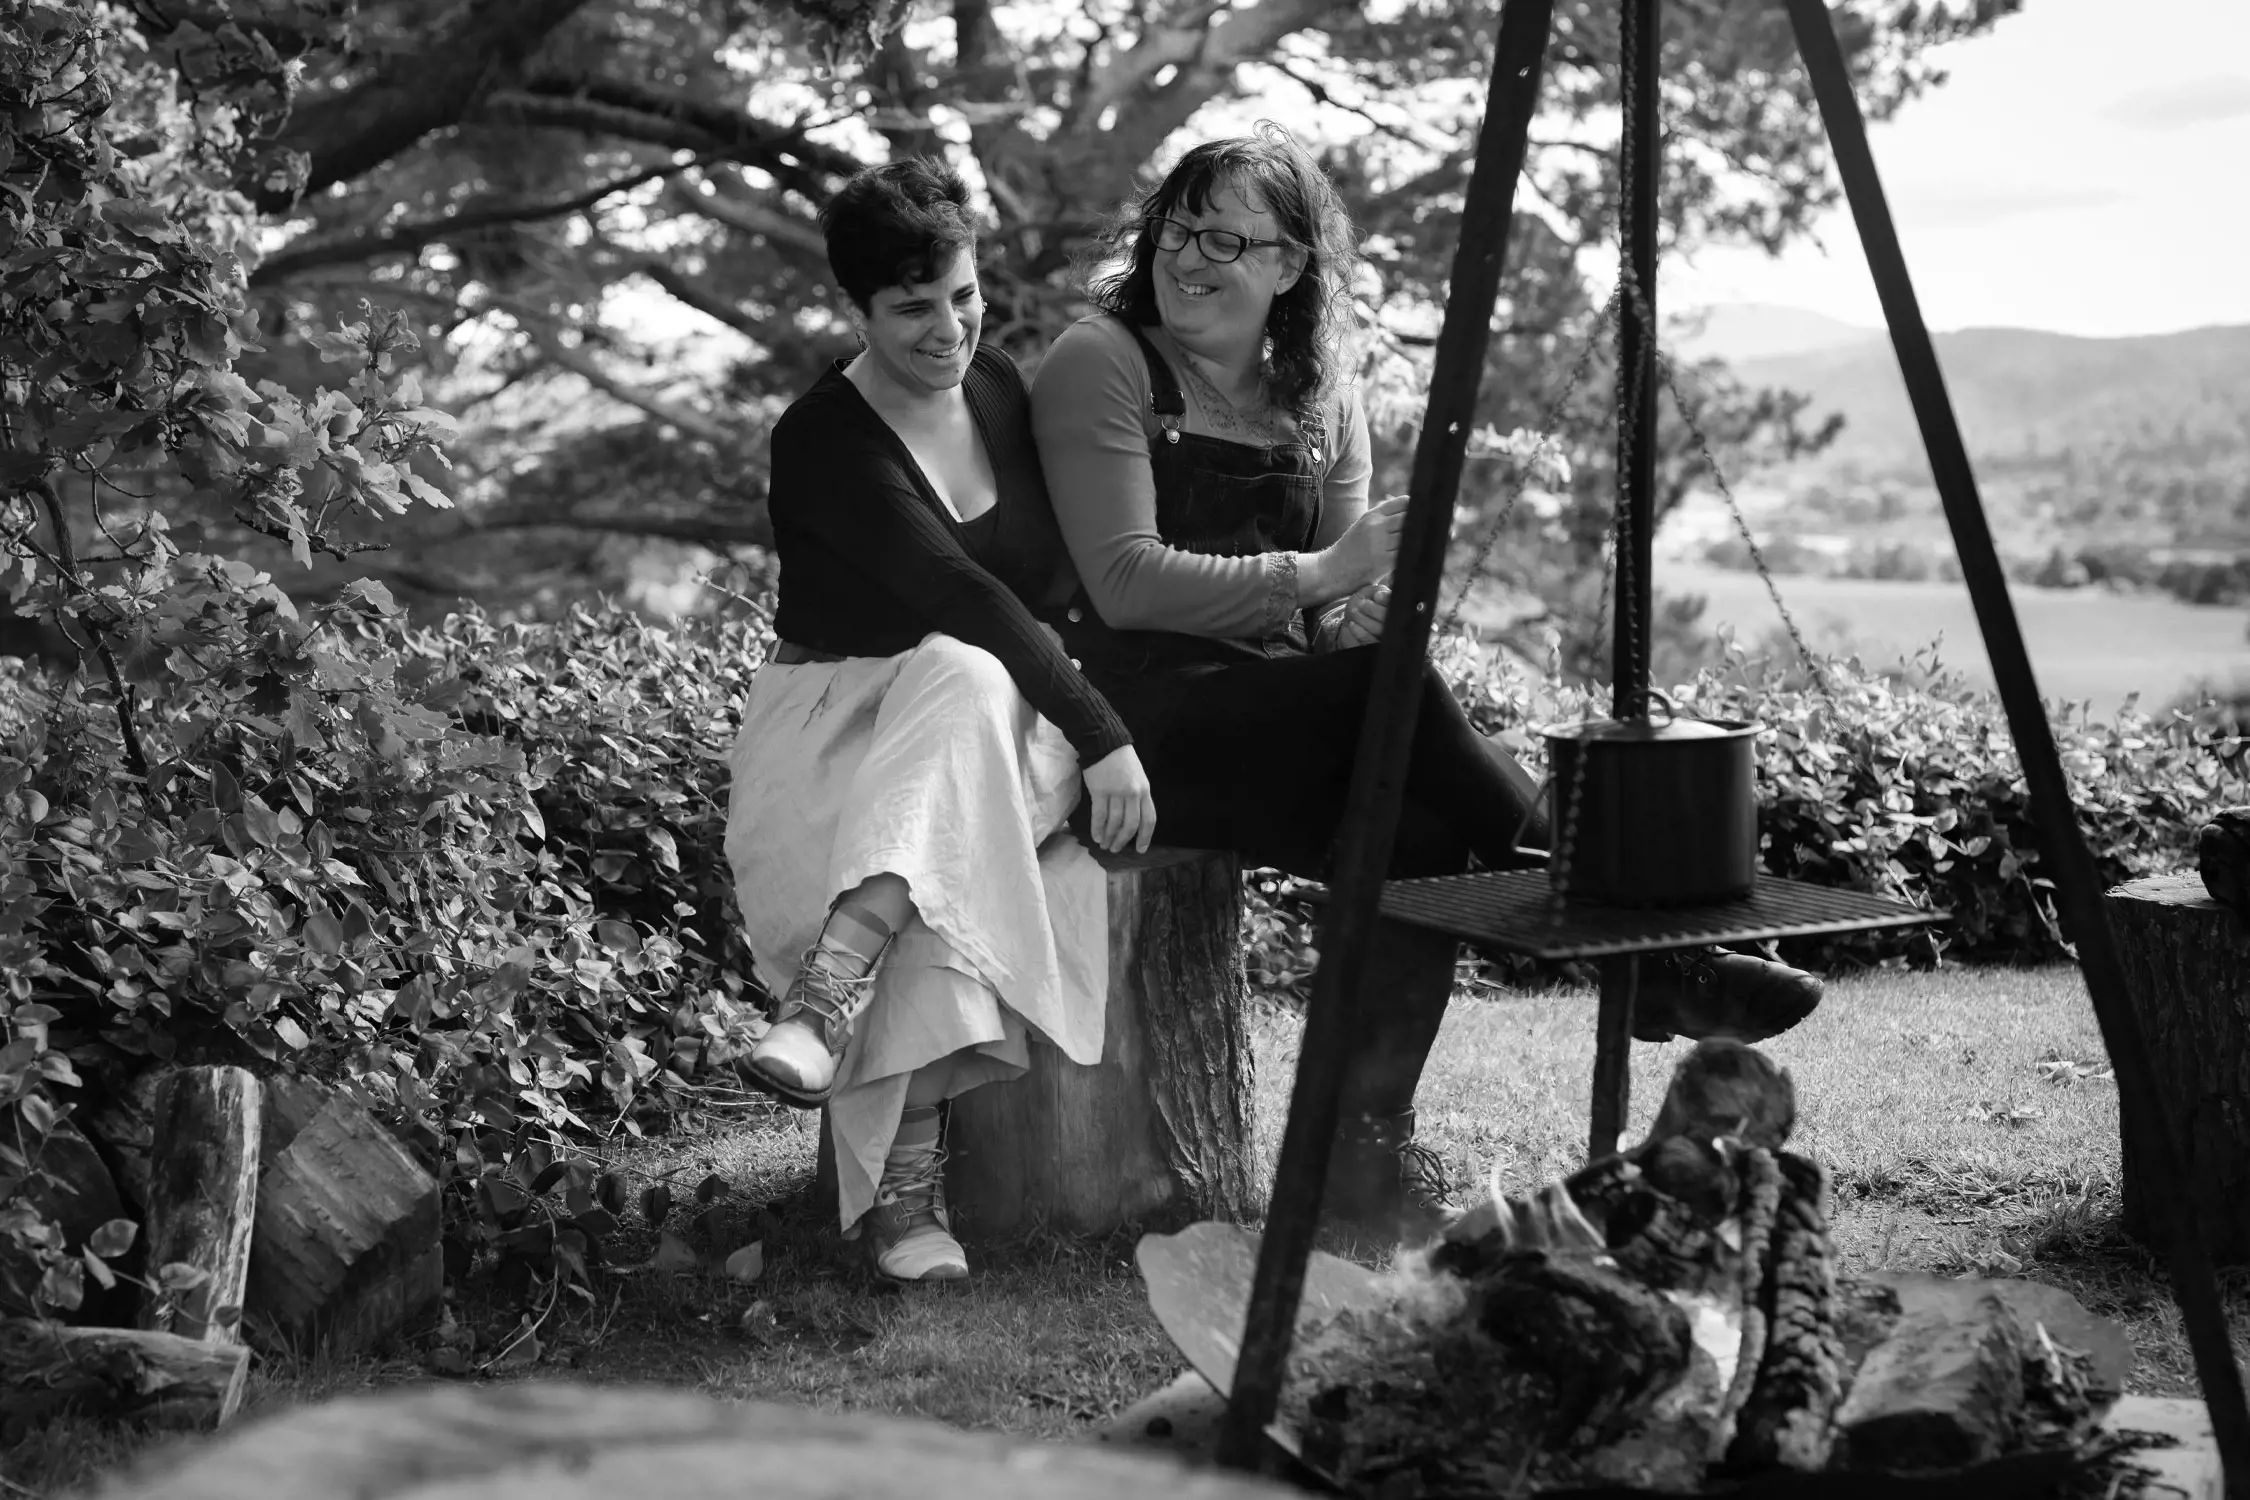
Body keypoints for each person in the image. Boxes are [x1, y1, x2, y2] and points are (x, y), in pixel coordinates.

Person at [1027, 127, 1823, 1234]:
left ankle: (1357, 1167)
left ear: (1290, 267)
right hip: (1134, 723)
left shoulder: (1319, 393)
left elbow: (1340, 611)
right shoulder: (1101, 361)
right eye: (1176, 228)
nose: (1188, 259)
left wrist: (1371, 592)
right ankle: (1655, 949)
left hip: (1280, 712)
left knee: (1412, 837)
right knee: (1382, 695)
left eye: (1224, 238)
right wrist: (1322, 576)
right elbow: (1122, 583)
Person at [722, 159, 1157, 1283]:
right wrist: (1106, 733)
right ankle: (904, 1195)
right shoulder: (823, 437)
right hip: (836, 716)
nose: (948, 328)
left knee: (965, 697)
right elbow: (959, 593)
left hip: (997, 705)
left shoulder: (1001, 388)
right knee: (952, 739)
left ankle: (830, 999)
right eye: (912, 307)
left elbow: (1045, 579)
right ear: (857, 311)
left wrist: (1091, 701)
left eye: (960, 295)